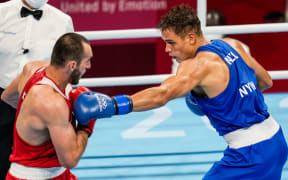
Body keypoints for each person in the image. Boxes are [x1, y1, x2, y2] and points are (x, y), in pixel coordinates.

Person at [72, 5, 288, 179]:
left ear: (191, 38)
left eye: (171, 43)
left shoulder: (195, 65)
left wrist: (112, 105)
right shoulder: (232, 44)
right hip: (277, 140)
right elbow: (265, 81)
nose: (167, 49)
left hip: (249, 154)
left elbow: (162, 94)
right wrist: (227, 98)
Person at [1, 32, 96, 180]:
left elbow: (7, 96)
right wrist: (86, 127)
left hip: (57, 172)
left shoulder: (32, 69)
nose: (89, 66)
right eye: (87, 61)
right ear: (72, 65)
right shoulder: (52, 102)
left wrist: (32, 117)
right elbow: (70, 160)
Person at [0, 0, 74, 178]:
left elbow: (68, 68)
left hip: (39, 102)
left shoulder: (63, 21)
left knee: (37, 165)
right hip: (2, 97)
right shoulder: (2, 12)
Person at [171, 9, 250, 74]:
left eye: (215, 27)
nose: (212, 34)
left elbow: (250, 78)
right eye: (209, 26)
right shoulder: (184, 51)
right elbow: (176, 79)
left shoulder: (240, 47)